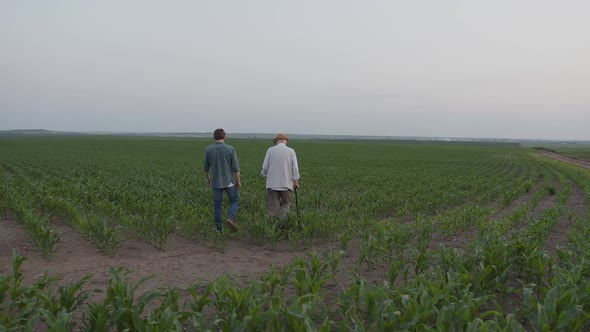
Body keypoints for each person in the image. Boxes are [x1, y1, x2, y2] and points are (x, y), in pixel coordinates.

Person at [203, 128, 241, 233]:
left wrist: (208, 179)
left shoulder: (208, 149)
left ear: (214, 137)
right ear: (224, 136)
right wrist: (238, 181)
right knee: (234, 201)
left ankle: (219, 230)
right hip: (229, 182)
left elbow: (205, 169)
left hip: (215, 182)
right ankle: (230, 218)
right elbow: (236, 168)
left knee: (217, 205)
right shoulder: (230, 149)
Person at [261, 133, 300, 221]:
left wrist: (267, 175)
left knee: (273, 208)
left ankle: (273, 226)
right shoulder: (291, 151)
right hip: (286, 184)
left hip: (272, 184)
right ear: (285, 141)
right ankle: (282, 224)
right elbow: (295, 168)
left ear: (276, 141)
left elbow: (264, 168)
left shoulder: (270, 150)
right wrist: (296, 181)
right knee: (285, 205)